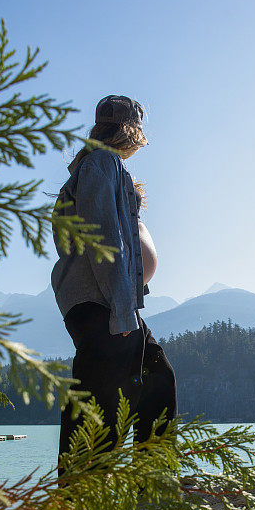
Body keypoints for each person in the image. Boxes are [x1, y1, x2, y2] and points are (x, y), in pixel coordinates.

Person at [51, 95, 177, 476]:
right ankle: (79, 502)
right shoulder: (101, 163)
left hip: (107, 301)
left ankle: (151, 485)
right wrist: (122, 309)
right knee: (99, 403)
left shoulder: (99, 166)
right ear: (132, 129)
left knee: (156, 379)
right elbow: (102, 238)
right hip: (104, 303)